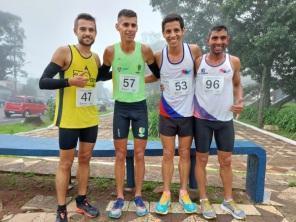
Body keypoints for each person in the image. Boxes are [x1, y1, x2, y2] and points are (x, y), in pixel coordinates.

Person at [39, 13, 109, 222]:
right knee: (65, 164)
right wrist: (69, 81)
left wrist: (125, 70)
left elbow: (102, 76)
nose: (87, 33)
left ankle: (82, 200)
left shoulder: (96, 58)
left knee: (85, 160)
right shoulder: (65, 52)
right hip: (69, 120)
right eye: (83, 29)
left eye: (91, 30)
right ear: (76, 31)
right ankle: (61, 208)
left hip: (90, 119)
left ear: (95, 33)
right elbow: (43, 81)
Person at [100, 9, 160, 219]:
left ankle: (139, 195)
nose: (130, 29)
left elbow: (157, 73)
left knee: (140, 154)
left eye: (133, 25)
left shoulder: (144, 50)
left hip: (140, 108)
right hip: (121, 109)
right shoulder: (110, 51)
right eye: (125, 25)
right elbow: (101, 75)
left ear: (137, 27)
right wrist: (116, 73)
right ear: (118, 27)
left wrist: (142, 80)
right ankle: (119, 197)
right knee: (119, 154)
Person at [145, 13, 202, 215]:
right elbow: (155, 76)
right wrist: (138, 80)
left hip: (187, 114)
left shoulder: (193, 50)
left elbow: (202, 74)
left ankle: (184, 192)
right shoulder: (159, 56)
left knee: (185, 153)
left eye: (176, 30)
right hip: (167, 113)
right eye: (168, 31)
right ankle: (167, 192)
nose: (172, 35)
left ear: (183, 31)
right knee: (168, 154)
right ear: (163, 34)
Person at [193, 25, 246, 220]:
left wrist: (239, 100)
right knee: (202, 160)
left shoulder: (233, 62)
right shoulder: (199, 63)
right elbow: (183, 78)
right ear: (208, 40)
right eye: (215, 38)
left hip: (225, 120)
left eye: (222, 38)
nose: (219, 42)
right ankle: (204, 199)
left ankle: (228, 200)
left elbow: (238, 84)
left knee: (226, 161)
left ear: (228, 40)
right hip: (202, 120)